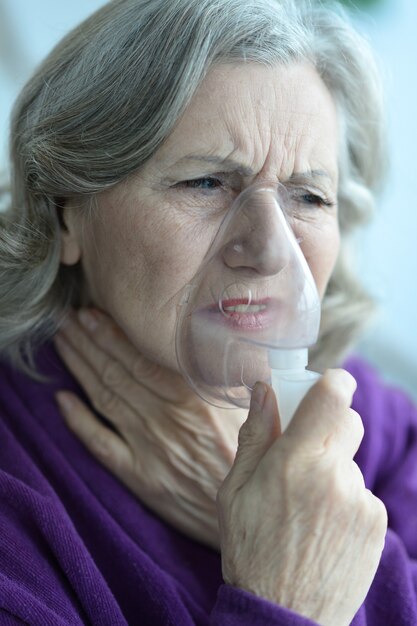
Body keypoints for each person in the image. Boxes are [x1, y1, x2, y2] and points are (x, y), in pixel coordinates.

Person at [0, 0, 416, 624]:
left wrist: (257, 510)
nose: (271, 251)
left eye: (308, 196)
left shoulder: (375, 426)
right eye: (206, 184)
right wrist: (286, 592)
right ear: (65, 212)